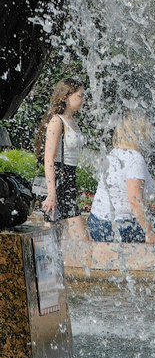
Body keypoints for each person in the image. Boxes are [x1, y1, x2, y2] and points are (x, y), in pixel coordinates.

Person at [88, 116, 155, 244]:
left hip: (96, 225)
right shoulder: (135, 158)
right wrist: (149, 233)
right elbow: (135, 201)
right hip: (115, 228)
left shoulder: (114, 154)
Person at [34, 78, 89, 240]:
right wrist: (52, 194)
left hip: (68, 182)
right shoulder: (57, 121)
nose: (83, 99)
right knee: (78, 240)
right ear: (67, 96)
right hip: (58, 181)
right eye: (80, 95)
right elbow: (49, 159)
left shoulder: (73, 122)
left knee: (58, 240)